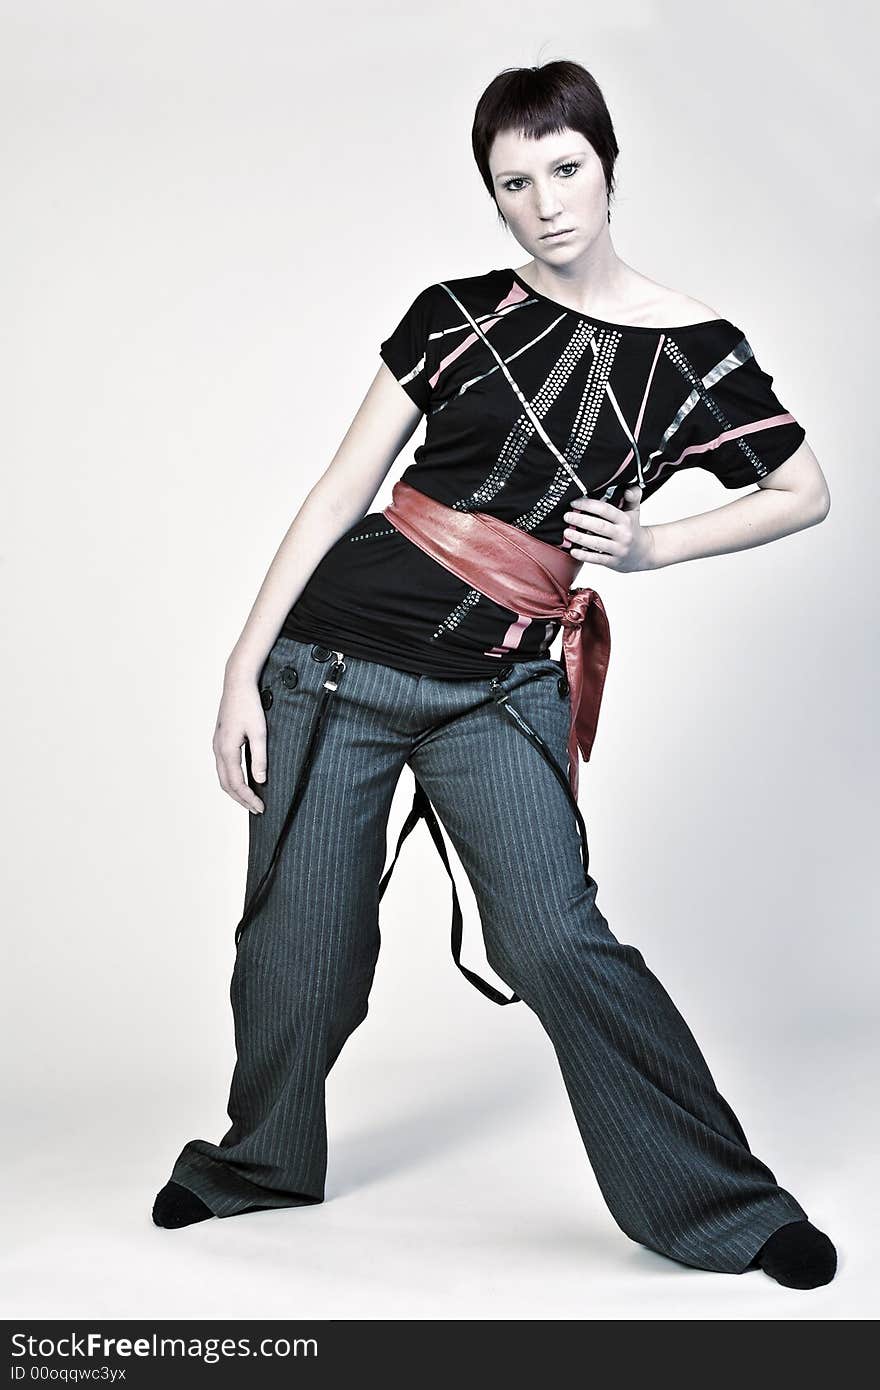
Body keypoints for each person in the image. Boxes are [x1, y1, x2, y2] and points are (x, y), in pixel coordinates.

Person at [152, 59, 837, 1290]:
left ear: (608, 167)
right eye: (512, 183)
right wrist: (238, 672)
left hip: (503, 684)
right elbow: (337, 492)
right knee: (297, 942)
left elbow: (805, 490)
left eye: (563, 170)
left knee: (557, 939)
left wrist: (651, 544)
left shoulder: (696, 351)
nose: (543, 204)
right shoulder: (454, 313)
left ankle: (723, 1206)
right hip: (336, 662)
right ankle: (254, 1161)